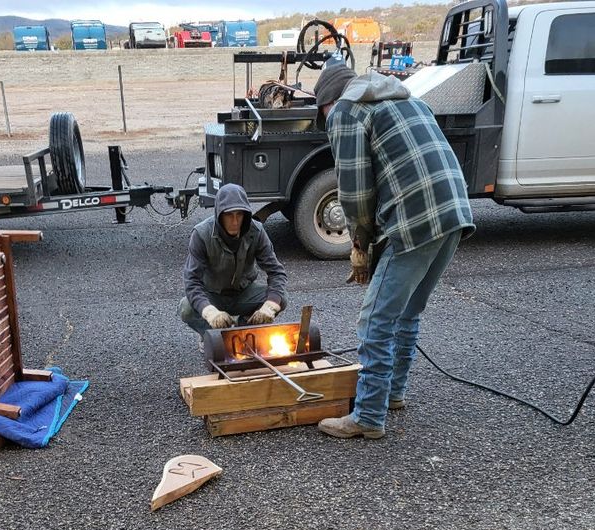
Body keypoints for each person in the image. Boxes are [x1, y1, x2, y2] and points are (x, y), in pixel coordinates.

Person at [313, 63, 475, 440]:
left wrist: (359, 244)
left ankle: (369, 414)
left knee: (375, 319)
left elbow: (354, 191)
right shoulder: (404, 98)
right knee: (406, 311)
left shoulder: (346, 110)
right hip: (453, 210)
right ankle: (393, 394)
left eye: (322, 112)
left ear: (328, 101)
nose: (326, 120)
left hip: (416, 217)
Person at [179, 183, 287, 338]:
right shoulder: (201, 234)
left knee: (280, 298)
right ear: (219, 214)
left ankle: (245, 330)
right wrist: (209, 312)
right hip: (213, 295)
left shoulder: (256, 231)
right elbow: (191, 281)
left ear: (246, 215)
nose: (235, 221)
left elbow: (277, 272)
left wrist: (270, 306)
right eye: (229, 215)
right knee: (186, 308)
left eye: (239, 215)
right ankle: (211, 336)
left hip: (244, 293)